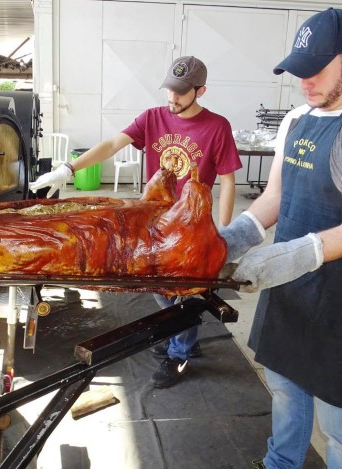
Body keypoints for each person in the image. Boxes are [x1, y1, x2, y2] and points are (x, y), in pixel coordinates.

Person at [218, 8, 342, 469]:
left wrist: (275, 260)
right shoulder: (297, 119)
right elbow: (275, 195)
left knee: (339, 407)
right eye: (298, 70)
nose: (304, 82)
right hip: (295, 272)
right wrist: (232, 240)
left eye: (315, 69)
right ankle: (282, 462)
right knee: (283, 379)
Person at [29, 56, 242, 388]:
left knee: (178, 290)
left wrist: (226, 231)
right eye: (170, 89)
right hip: (152, 222)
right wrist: (69, 169)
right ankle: (185, 336)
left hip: (188, 228)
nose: (172, 98)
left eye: (182, 92)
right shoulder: (153, 117)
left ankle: (180, 355)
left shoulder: (217, 127)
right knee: (162, 291)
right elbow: (114, 144)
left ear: (201, 91)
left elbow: (228, 182)